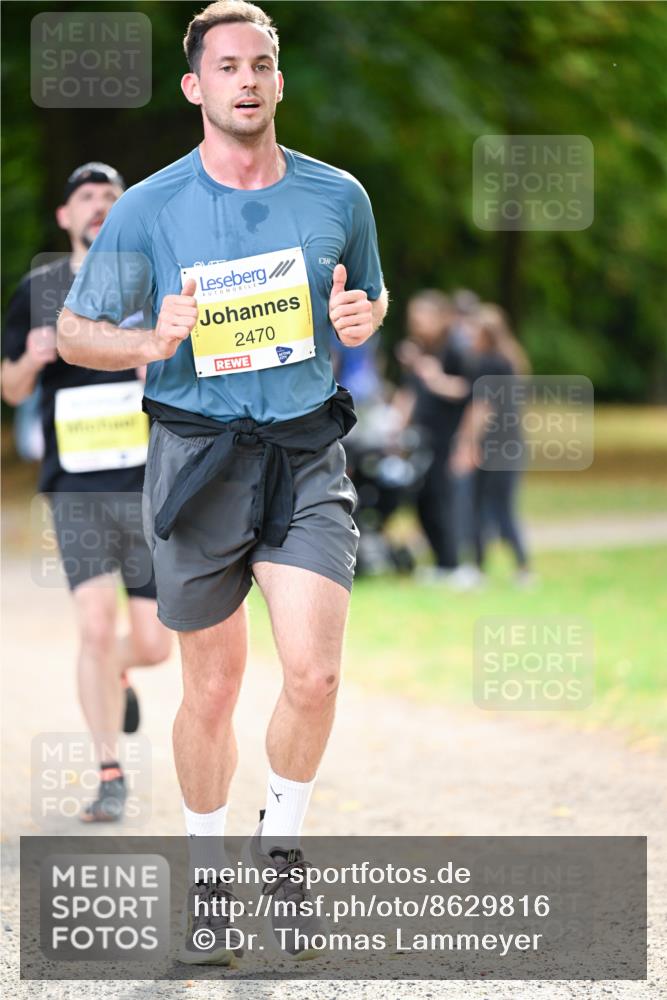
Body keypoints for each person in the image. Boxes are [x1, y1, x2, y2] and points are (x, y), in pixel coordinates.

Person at [57, 0, 388, 963]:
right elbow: (78, 332)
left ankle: (279, 840)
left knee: (316, 672)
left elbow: (364, 298)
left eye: (262, 64)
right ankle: (208, 881)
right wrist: (149, 341)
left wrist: (363, 321)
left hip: (304, 455)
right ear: (197, 87)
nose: (247, 80)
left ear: (279, 80)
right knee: (211, 688)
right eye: (227, 67)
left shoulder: (339, 197)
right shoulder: (150, 207)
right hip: (196, 459)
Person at [1, 162, 172, 822]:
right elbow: (11, 389)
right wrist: (32, 358)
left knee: (155, 644)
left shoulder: (151, 281)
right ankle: (109, 774)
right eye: (87, 198)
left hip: (150, 483)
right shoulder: (40, 288)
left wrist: (154, 354)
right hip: (75, 485)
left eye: (112, 197)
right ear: (65, 218)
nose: (100, 205)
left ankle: (117, 674)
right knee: (96, 628)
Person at [450, 304, 534, 585]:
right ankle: (523, 569)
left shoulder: (484, 363)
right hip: (512, 444)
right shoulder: (509, 361)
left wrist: (467, 444)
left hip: (489, 445)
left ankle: (476, 568)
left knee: (477, 506)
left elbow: (481, 408)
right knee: (503, 508)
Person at [394, 289, 471, 578]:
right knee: (422, 497)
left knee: (442, 498)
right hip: (422, 437)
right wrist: (398, 426)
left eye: (422, 316)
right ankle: (440, 563)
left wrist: (435, 378)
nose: (417, 323)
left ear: (440, 317)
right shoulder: (421, 350)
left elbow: (469, 389)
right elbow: (409, 393)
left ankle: (453, 563)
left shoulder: (456, 349)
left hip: (447, 437)